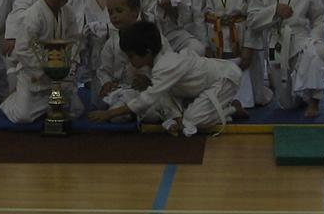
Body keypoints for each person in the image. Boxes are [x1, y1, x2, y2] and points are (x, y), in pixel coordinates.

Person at [90, 20, 240, 137]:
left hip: (224, 78)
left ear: (147, 52)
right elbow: (163, 95)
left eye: (131, 56)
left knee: (191, 121)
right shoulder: (156, 64)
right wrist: (176, 117)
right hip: (201, 88)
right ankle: (220, 106)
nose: (130, 61)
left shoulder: (165, 65)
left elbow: (147, 98)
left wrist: (109, 114)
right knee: (179, 117)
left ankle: (231, 109)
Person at [2, 0, 84, 125]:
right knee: (23, 116)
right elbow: (23, 49)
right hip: (34, 75)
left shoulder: (67, 12)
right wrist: (44, 72)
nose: (61, 2)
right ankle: (10, 101)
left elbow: (74, 40)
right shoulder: (33, 16)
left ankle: (50, 104)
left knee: (75, 110)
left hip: (60, 73)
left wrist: (71, 66)